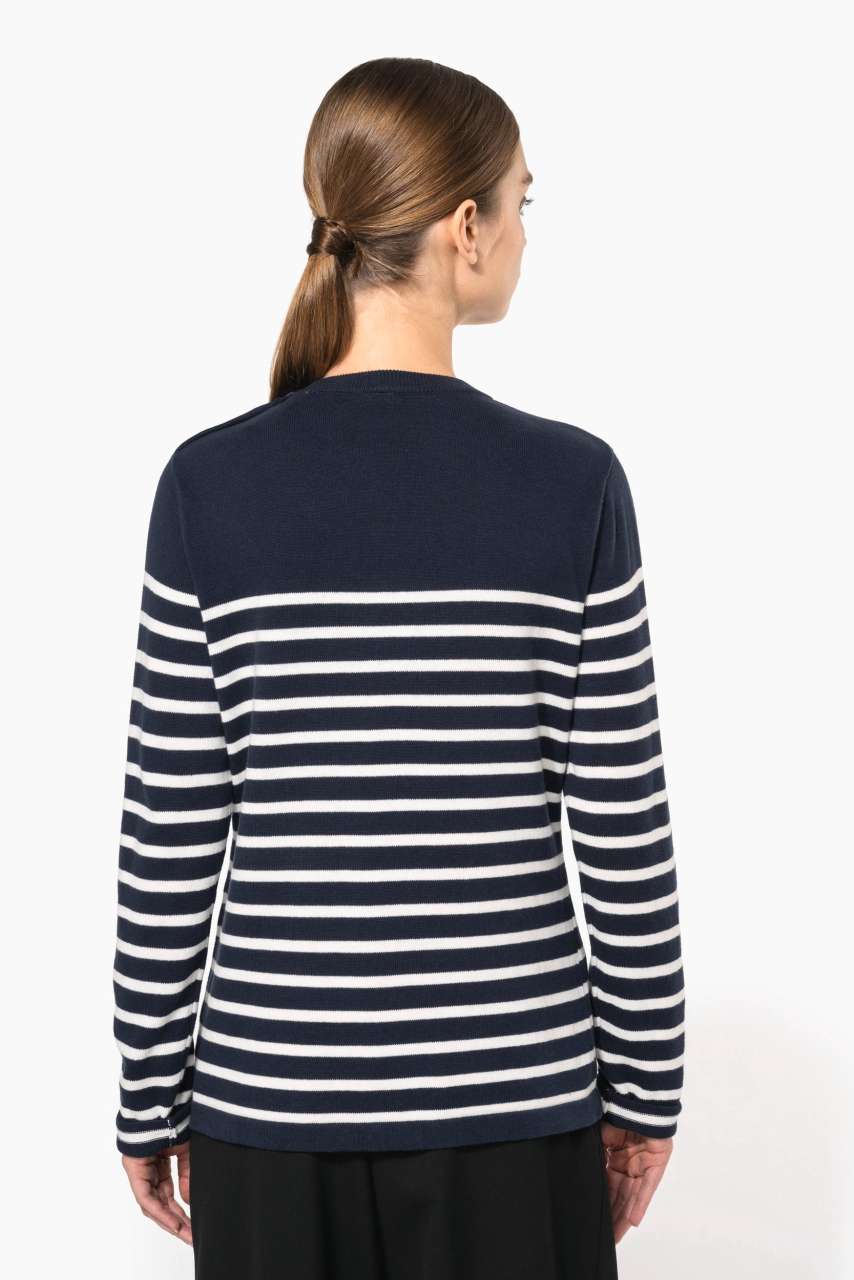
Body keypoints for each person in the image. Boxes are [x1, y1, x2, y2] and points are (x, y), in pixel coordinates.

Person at [112, 56, 686, 1280]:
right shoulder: (572, 482)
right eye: (522, 201)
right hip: (515, 1108)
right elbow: (622, 830)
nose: (524, 233)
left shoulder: (208, 484)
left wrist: (146, 1090)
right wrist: (644, 1086)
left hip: (269, 1110)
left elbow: (169, 834)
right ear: (464, 226)